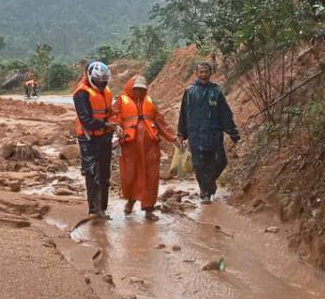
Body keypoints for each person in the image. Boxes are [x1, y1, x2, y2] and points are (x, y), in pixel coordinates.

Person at [112, 75, 177, 221]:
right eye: (136, 89)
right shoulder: (121, 101)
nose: (139, 92)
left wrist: (173, 138)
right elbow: (113, 116)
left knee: (151, 176)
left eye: (142, 89)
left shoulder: (150, 102)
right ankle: (130, 201)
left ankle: (149, 209)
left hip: (150, 146)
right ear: (131, 88)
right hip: (130, 146)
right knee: (130, 174)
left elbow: (161, 122)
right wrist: (116, 126)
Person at [177, 61, 240, 203]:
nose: (204, 74)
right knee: (200, 165)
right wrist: (181, 132)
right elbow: (183, 113)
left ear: (210, 73)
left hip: (214, 133)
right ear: (196, 73)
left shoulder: (216, 91)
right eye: (201, 72)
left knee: (221, 161)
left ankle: (209, 185)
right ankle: (205, 193)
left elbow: (225, 113)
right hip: (196, 133)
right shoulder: (189, 91)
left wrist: (233, 133)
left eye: (206, 71)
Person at [73, 60, 114, 218]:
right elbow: (86, 119)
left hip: (104, 136)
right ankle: (94, 210)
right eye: (98, 82)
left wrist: (113, 125)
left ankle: (102, 208)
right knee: (92, 173)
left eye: (104, 82)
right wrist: (107, 124)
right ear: (90, 77)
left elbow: (111, 112)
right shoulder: (81, 93)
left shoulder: (106, 91)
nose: (101, 85)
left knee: (104, 174)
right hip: (88, 138)